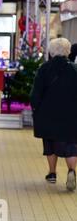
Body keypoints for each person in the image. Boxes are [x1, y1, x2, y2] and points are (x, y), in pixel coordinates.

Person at [31, 38, 77, 191]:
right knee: (71, 144)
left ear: (51, 51)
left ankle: (52, 173)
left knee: (50, 144)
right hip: (71, 114)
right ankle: (71, 170)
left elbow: (36, 94)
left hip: (48, 113)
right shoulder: (75, 69)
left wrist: (36, 109)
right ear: (68, 51)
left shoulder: (44, 69)